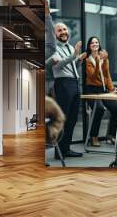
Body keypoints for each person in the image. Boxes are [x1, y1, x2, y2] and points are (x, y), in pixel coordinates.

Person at [50, 22, 86, 159]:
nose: (63, 32)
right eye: (59, 30)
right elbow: (58, 65)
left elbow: (72, 65)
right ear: (54, 34)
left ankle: (66, 149)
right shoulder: (53, 48)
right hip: (63, 84)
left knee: (72, 119)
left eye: (64, 29)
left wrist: (78, 60)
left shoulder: (70, 47)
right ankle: (58, 152)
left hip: (74, 83)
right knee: (62, 119)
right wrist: (74, 55)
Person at [84, 36, 117, 147]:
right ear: (89, 46)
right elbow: (93, 77)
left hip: (103, 89)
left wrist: (112, 88)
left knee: (116, 108)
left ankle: (111, 135)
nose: (95, 44)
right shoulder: (87, 59)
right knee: (98, 109)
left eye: (96, 42)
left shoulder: (104, 57)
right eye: (92, 43)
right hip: (91, 90)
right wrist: (97, 61)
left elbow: (106, 75)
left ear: (99, 44)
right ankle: (93, 137)